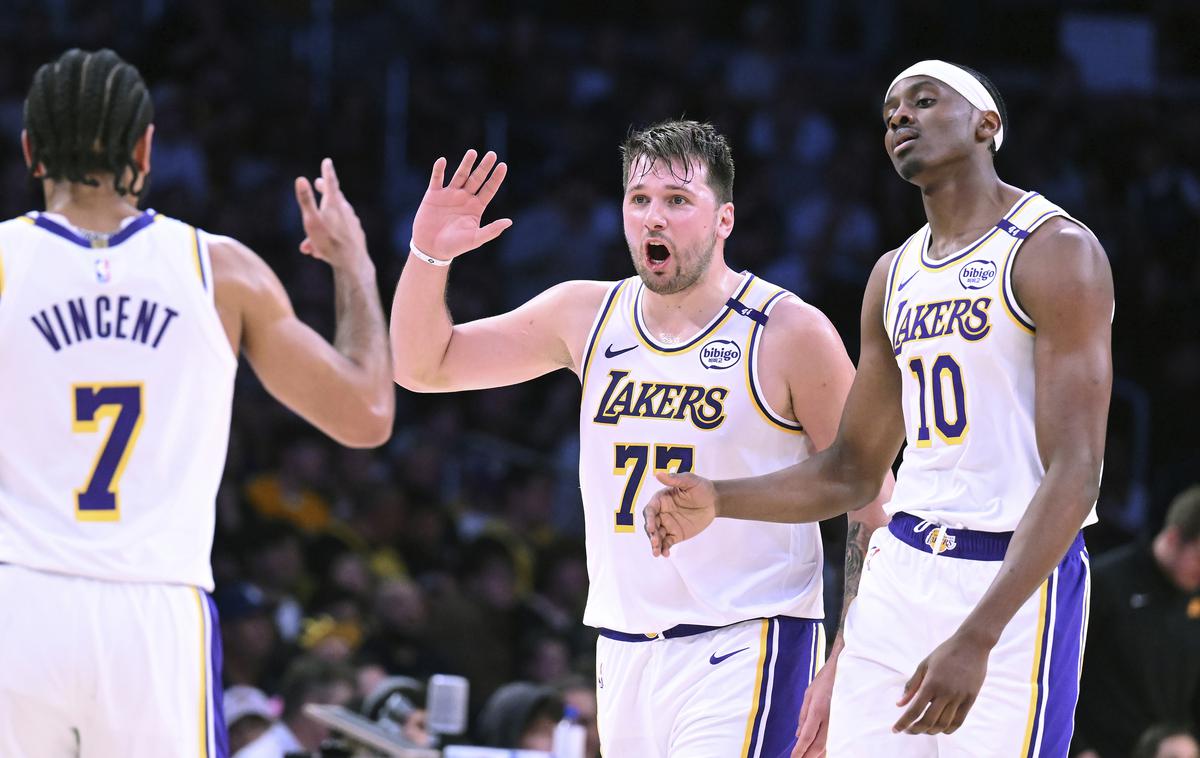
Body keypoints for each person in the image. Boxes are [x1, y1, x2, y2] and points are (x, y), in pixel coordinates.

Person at [644, 59, 1113, 756]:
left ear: (988, 125)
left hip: (1011, 583)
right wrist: (719, 497)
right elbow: (853, 471)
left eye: (924, 101)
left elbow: (1077, 470)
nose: (899, 117)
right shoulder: (893, 274)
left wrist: (977, 635)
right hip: (901, 574)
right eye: (891, 109)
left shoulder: (1054, 250)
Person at [390, 119, 890, 757]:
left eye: (678, 200)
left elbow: (873, 500)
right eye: (639, 199)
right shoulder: (585, 314)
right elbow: (422, 367)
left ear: (723, 220)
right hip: (623, 648)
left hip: (750, 642)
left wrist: (849, 655)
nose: (655, 217)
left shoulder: (788, 331)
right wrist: (428, 256)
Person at [0, 48, 394, 757]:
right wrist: (353, 265)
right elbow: (366, 415)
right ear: (147, 150)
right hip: (156, 613)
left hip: (17, 601)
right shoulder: (223, 271)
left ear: (30, 151)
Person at [1072, 485, 1200, 758]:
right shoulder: (1106, 582)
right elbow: (1061, 672)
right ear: (1175, 537)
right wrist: (1078, 748)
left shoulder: (1195, 597)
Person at [235, 655, 358, 758]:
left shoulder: (314, 752)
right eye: (341, 708)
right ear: (312, 705)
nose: (346, 718)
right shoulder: (262, 755)